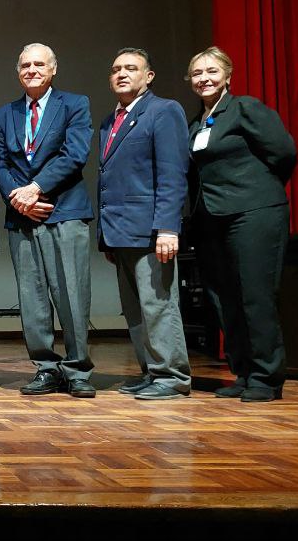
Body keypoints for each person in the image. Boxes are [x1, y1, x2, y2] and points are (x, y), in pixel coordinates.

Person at [186, 46, 297, 403]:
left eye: (211, 71)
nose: (204, 78)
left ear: (228, 76)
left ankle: (267, 377)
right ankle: (244, 371)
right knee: (224, 299)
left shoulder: (246, 107)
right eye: (198, 73)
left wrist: (256, 191)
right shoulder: (196, 123)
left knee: (255, 296)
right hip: (210, 219)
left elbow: (284, 152)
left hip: (254, 213)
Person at [0, 43, 96, 398]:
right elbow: (0, 164)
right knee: (32, 298)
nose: (31, 69)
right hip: (22, 217)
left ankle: (78, 369)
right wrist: (19, 199)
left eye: (39, 64)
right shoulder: (4, 114)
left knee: (70, 294)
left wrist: (35, 188)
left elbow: (75, 154)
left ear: (53, 69)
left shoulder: (75, 104)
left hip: (63, 211)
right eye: (25, 64)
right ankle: (46, 368)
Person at [97, 49, 192, 400]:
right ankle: (150, 371)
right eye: (116, 68)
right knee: (135, 309)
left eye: (131, 68)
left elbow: (172, 173)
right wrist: (105, 237)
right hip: (119, 231)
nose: (122, 74)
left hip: (151, 231)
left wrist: (168, 227)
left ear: (148, 76)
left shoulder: (164, 111)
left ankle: (172, 376)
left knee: (158, 304)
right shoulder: (111, 121)